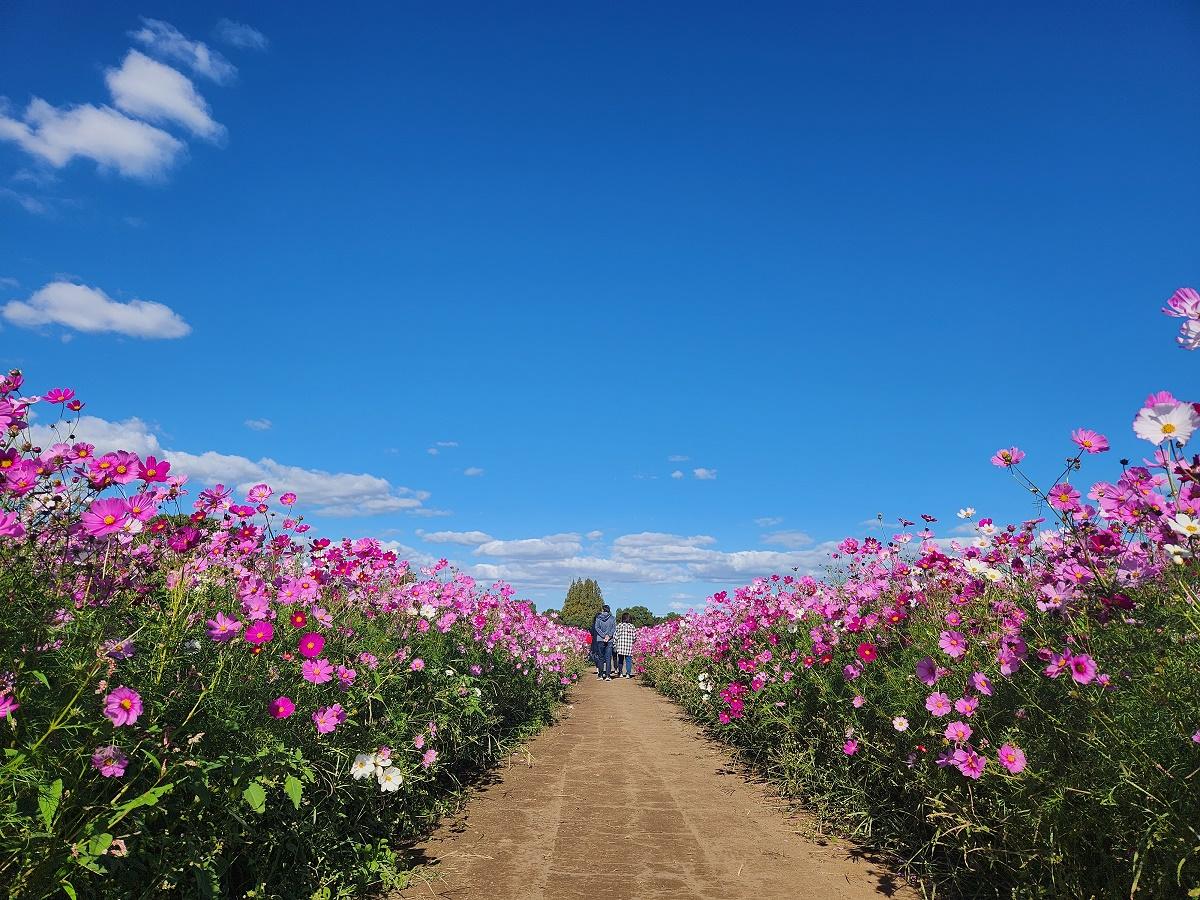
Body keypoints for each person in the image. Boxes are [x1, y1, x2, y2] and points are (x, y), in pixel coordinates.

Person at [592, 605, 616, 680]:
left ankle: (600, 675)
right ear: (609, 610)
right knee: (608, 658)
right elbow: (614, 628)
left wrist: (603, 636)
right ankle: (608, 676)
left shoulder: (598, 618)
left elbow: (597, 628)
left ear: (603, 610)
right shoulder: (612, 618)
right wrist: (608, 636)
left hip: (600, 639)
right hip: (609, 640)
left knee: (601, 657)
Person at [613, 613, 636, 678]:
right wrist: (632, 641)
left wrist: (614, 644)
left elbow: (615, 636)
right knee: (628, 660)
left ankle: (620, 673)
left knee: (620, 660)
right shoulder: (632, 626)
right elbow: (634, 637)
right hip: (629, 646)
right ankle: (628, 674)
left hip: (620, 646)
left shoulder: (619, 625)